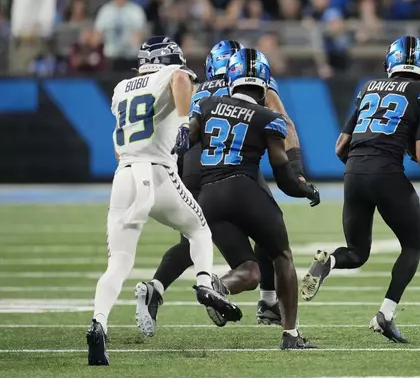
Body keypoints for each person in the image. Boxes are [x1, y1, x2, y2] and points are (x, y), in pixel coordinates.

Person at [134, 40, 305, 337]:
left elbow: (177, 129)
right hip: (232, 165)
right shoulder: (248, 84)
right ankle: (266, 302)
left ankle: (156, 287)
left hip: (190, 165)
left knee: (195, 238)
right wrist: (297, 170)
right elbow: (284, 122)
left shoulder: (197, 88)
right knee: (268, 226)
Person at [86, 36, 240, 366]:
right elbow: (181, 78)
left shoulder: (121, 88)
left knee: (119, 263)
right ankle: (203, 282)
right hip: (157, 172)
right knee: (199, 230)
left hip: (124, 174)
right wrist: (184, 122)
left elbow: (118, 145)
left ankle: (98, 323)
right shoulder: (171, 73)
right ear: (170, 57)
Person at [174, 48, 319, 349]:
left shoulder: (208, 104)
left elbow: (186, 140)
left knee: (249, 271)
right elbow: (284, 179)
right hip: (245, 189)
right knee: (281, 255)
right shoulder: (269, 118)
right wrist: (305, 189)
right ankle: (290, 335)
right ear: (264, 82)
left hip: (209, 196)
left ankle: (220, 286)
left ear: (231, 78)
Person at [300, 36, 420, 343]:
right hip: (387, 173)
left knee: (356, 252)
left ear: (389, 63)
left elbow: (340, 148)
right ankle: (385, 315)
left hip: (354, 173)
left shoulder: (369, 88)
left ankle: (328, 262)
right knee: (413, 244)